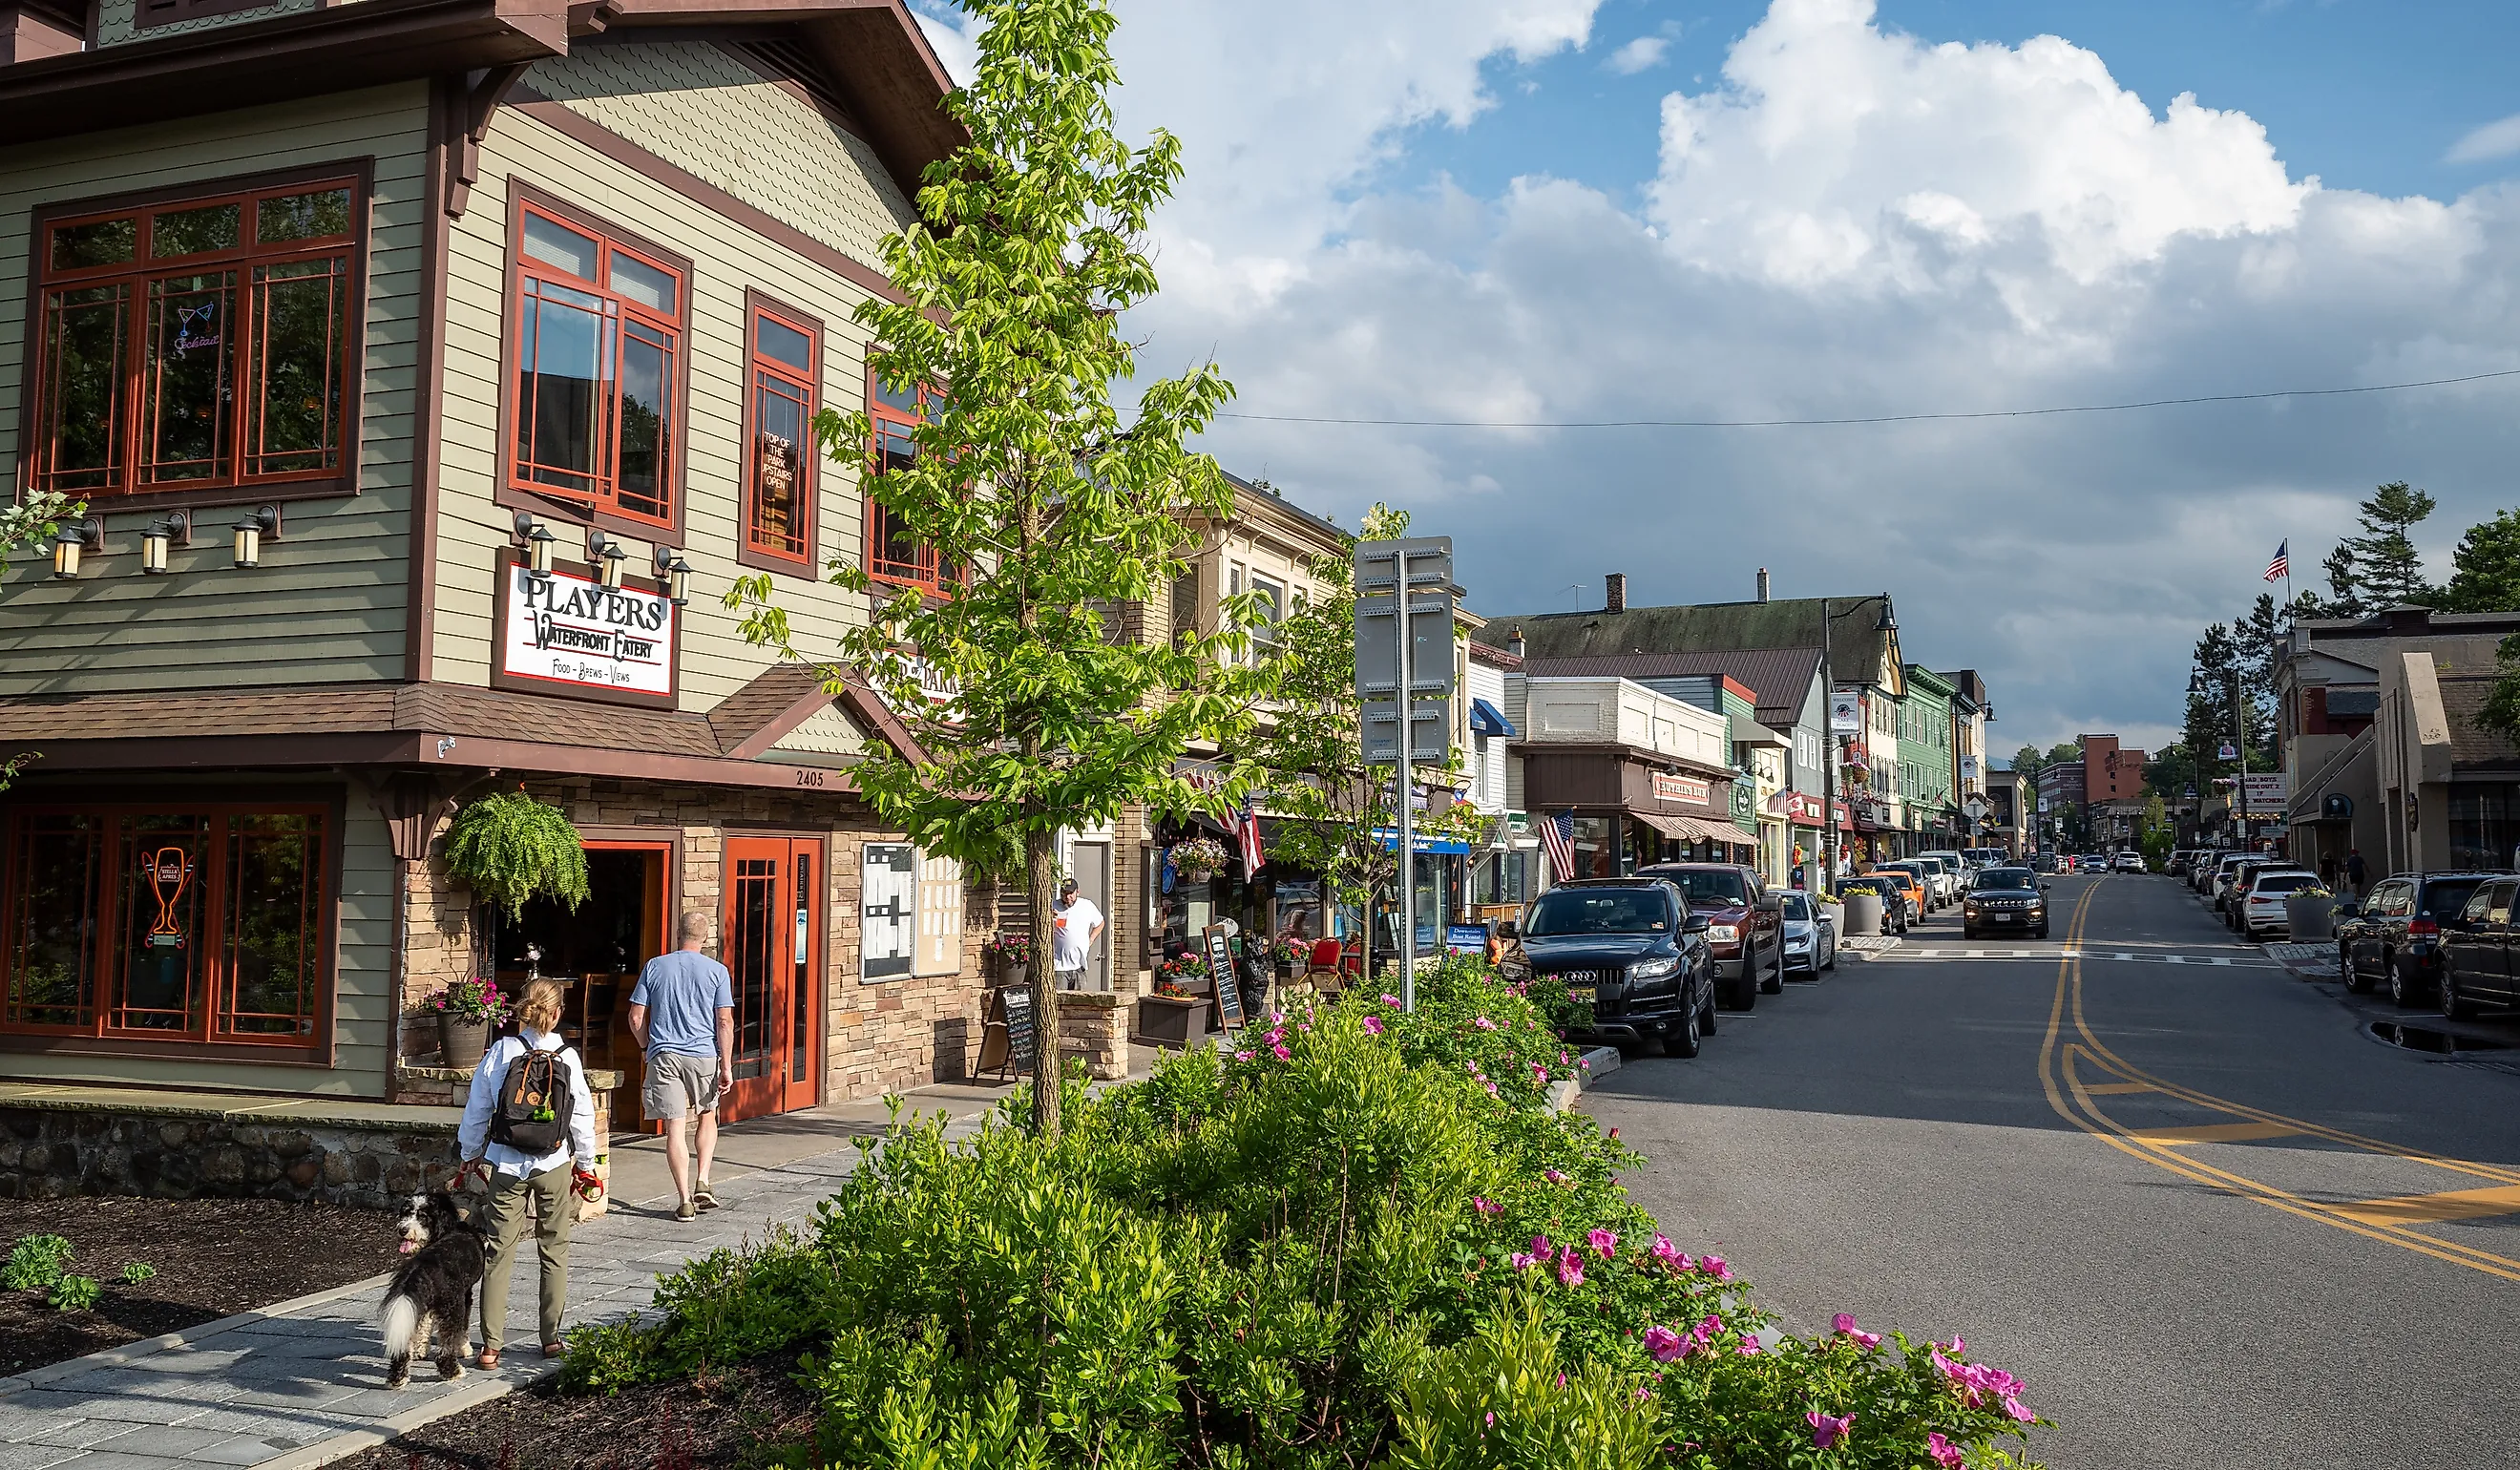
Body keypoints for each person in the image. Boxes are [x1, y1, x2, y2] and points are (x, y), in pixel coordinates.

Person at [459, 978, 598, 1369]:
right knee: (554, 1249)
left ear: (523, 1009)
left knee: (498, 1252)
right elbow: (582, 1117)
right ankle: (551, 1339)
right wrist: (586, 1165)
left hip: (506, 1161)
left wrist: (470, 1153)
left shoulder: (501, 1052)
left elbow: (478, 1108)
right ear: (556, 1013)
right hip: (552, 1163)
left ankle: (491, 1346)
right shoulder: (568, 1056)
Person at [628, 910, 735, 1222]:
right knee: (707, 1114)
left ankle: (685, 1200)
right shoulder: (717, 972)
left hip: (663, 1055)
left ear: (678, 933)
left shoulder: (654, 967)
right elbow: (724, 1021)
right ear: (704, 938)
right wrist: (726, 1065)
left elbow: (636, 1017)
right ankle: (703, 1178)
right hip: (703, 1055)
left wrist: (647, 1046)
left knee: (675, 1126)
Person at [1051, 876, 1104, 991]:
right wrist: (1048, 918)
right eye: (1064, 893)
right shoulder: (1053, 906)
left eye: (1071, 893)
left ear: (1077, 892)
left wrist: (1090, 940)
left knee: (1078, 1004)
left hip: (1079, 966)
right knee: (1059, 1003)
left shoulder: (1087, 906)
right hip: (1059, 967)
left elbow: (1100, 923)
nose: (1067, 897)